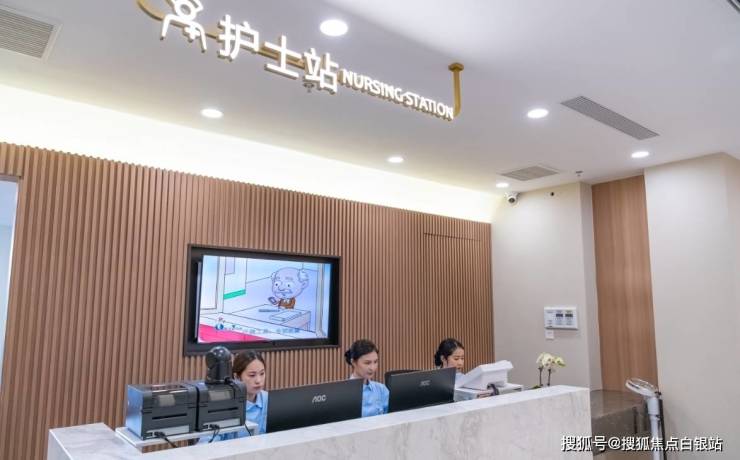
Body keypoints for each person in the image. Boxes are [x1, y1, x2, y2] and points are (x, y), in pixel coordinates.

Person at [202, 350, 269, 442]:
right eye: (252, 375)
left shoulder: (268, 399)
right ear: (237, 377)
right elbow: (207, 440)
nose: (258, 380)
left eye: (262, 373)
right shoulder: (225, 404)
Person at [345, 339, 389, 417]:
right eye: (367, 363)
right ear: (353, 362)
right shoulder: (344, 393)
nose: (372, 368)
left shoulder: (381, 389)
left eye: (375, 362)